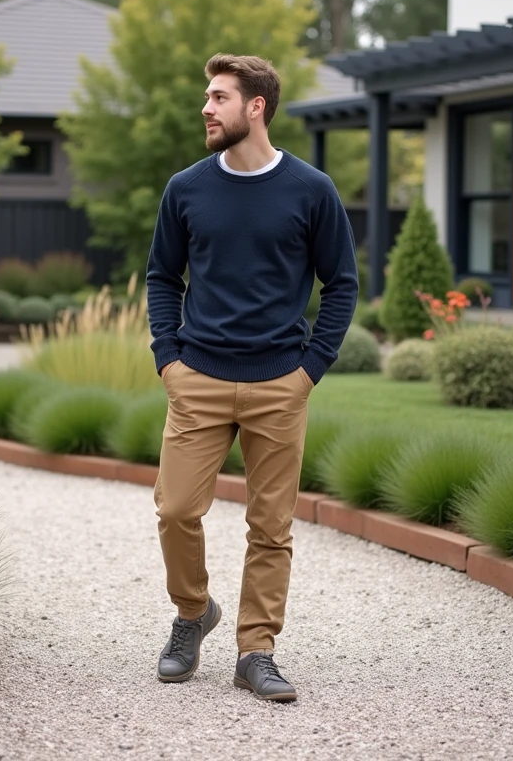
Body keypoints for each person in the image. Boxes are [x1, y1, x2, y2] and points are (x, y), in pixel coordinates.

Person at [144, 53, 359, 702]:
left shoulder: (311, 189)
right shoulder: (186, 188)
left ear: (255, 106)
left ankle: (256, 650)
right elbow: (162, 276)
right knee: (176, 510)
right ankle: (192, 613)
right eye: (208, 97)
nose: (206, 109)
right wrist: (169, 359)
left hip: (279, 383)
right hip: (198, 378)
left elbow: (342, 283)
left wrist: (310, 370)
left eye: (219, 97)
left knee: (271, 528)